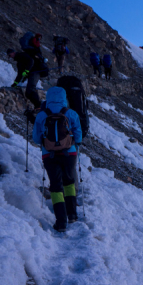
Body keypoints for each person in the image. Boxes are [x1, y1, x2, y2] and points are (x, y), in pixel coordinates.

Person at [32, 86, 83, 232]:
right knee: (69, 181)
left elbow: (36, 138)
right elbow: (78, 136)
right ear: (64, 97)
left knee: (55, 185)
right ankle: (72, 214)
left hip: (49, 154)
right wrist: (73, 144)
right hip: (70, 153)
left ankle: (61, 221)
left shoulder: (42, 115)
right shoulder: (71, 113)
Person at [18, 33, 50, 111]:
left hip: (35, 71)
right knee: (30, 90)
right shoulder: (34, 50)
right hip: (35, 70)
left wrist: (24, 74)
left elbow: (30, 63)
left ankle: (39, 106)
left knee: (30, 90)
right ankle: (38, 106)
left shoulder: (31, 51)